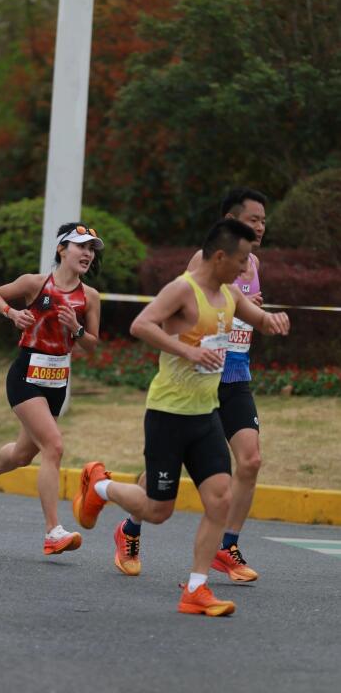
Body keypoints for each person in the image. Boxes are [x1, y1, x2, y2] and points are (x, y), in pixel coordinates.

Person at [73, 219, 289, 616]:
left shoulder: (229, 294)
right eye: (241, 260)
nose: (246, 269)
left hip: (206, 414)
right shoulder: (183, 290)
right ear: (220, 256)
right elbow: (141, 325)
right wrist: (187, 351)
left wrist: (273, 320)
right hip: (169, 415)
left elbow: (258, 319)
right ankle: (100, 485)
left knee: (220, 499)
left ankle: (196, 588)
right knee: (158, 510)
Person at [0, 223, 102, 555]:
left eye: (91, 249)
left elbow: (92, 345)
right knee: (53, 446)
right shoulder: (35, 283)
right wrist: (13, 314)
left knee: (24, 455)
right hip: (26, 374)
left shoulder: (90, 297)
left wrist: (77, 329)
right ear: (62, 249)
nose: (87, 253)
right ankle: (53, 531)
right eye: (81, 246)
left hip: (57, 380)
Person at [187, 188, 267, 582]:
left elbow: (244, 313)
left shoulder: (253, 262)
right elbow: (186, 313)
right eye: (254, 220)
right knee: (167, 473)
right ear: (232, 220)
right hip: (202, 378)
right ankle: (131, 527)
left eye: (264, 221)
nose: (261, 227)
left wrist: (255, 314)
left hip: (236, 376)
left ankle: (227, 546)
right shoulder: (203, 261)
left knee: (250, 461)